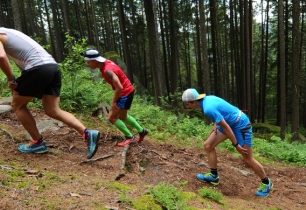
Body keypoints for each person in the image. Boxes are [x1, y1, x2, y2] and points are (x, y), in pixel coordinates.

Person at [0, 27, 100, 159]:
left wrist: (11, 78)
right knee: (52, 110)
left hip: (38, 68)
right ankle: (87, 133)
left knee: (18, 105)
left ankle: (37, 143)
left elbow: (1, 57)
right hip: (52, 67)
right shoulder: (8, 32)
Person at [182, 88, 273, 197]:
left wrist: (236, 145)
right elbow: (221, 113)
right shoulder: (206, 100)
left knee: (247, 157)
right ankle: (213, 176)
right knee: (208, 145)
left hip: (240, 124)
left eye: (187, 104)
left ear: (192, 102)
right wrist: (216, 124)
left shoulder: (207, 108)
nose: (187, 107)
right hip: (229, 123)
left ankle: (266, 183)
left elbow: (226, 128)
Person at [82, 48, 148, 147]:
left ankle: (129, 137)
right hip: (129, 90)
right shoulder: (106, 63)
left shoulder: (107, 70)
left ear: (94, 60)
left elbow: (119, 87)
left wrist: (113, 103)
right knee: (123, 116)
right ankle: (142, 131)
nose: (87, 64)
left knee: (112, 118)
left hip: (124, 93)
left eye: (88, 62)